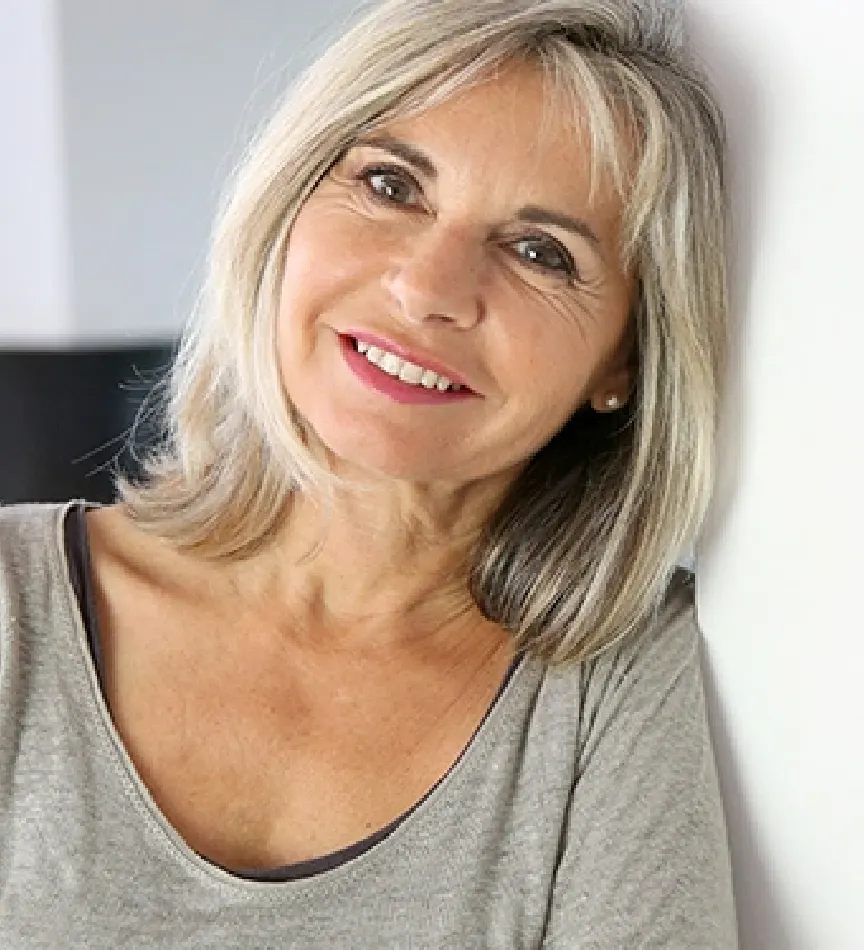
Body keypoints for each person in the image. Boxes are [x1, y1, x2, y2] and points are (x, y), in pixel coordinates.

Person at [0, 0, 738, 945]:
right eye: (391, 186)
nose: (427, 289)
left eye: (540, 252)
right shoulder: (15, 604)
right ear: (289, 204)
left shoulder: (616, 688)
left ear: (623, 363)